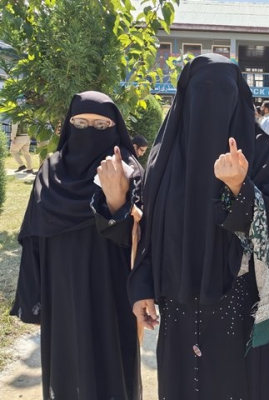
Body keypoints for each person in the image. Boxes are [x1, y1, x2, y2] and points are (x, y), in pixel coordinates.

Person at [128, 53, 269, 400]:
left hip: (236, 301)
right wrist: (142, 285)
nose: (211, 105)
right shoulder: (165, 154)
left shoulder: (259, 149)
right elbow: (148, 225)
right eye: (202, 92)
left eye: (223, 93)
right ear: (186, 96)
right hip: (177, 298)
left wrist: (240, 189)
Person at [10, 91, 143, 400]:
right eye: (80, 123)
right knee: (67, 369)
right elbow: (33, 235)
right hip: (61, 290)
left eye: (100, 125)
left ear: (114, 128)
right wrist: (33, 298)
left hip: (110, 287)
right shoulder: (50, 170)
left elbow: (137, 239)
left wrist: (116, 201)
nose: (89, 131)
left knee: (112, 366)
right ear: (68, 127)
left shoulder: (127, 170)